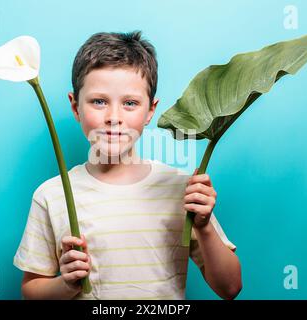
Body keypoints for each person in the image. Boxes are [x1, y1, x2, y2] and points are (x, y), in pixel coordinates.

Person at [13, 31, 242, 300]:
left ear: (150, 111)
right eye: (98, 101)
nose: (113, 117)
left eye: (130, 103)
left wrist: (203, 226)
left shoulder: (182, 190)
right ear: (75, 107)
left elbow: (230, 287)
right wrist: (67, 284)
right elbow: (31, 291)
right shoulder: (50, 196)